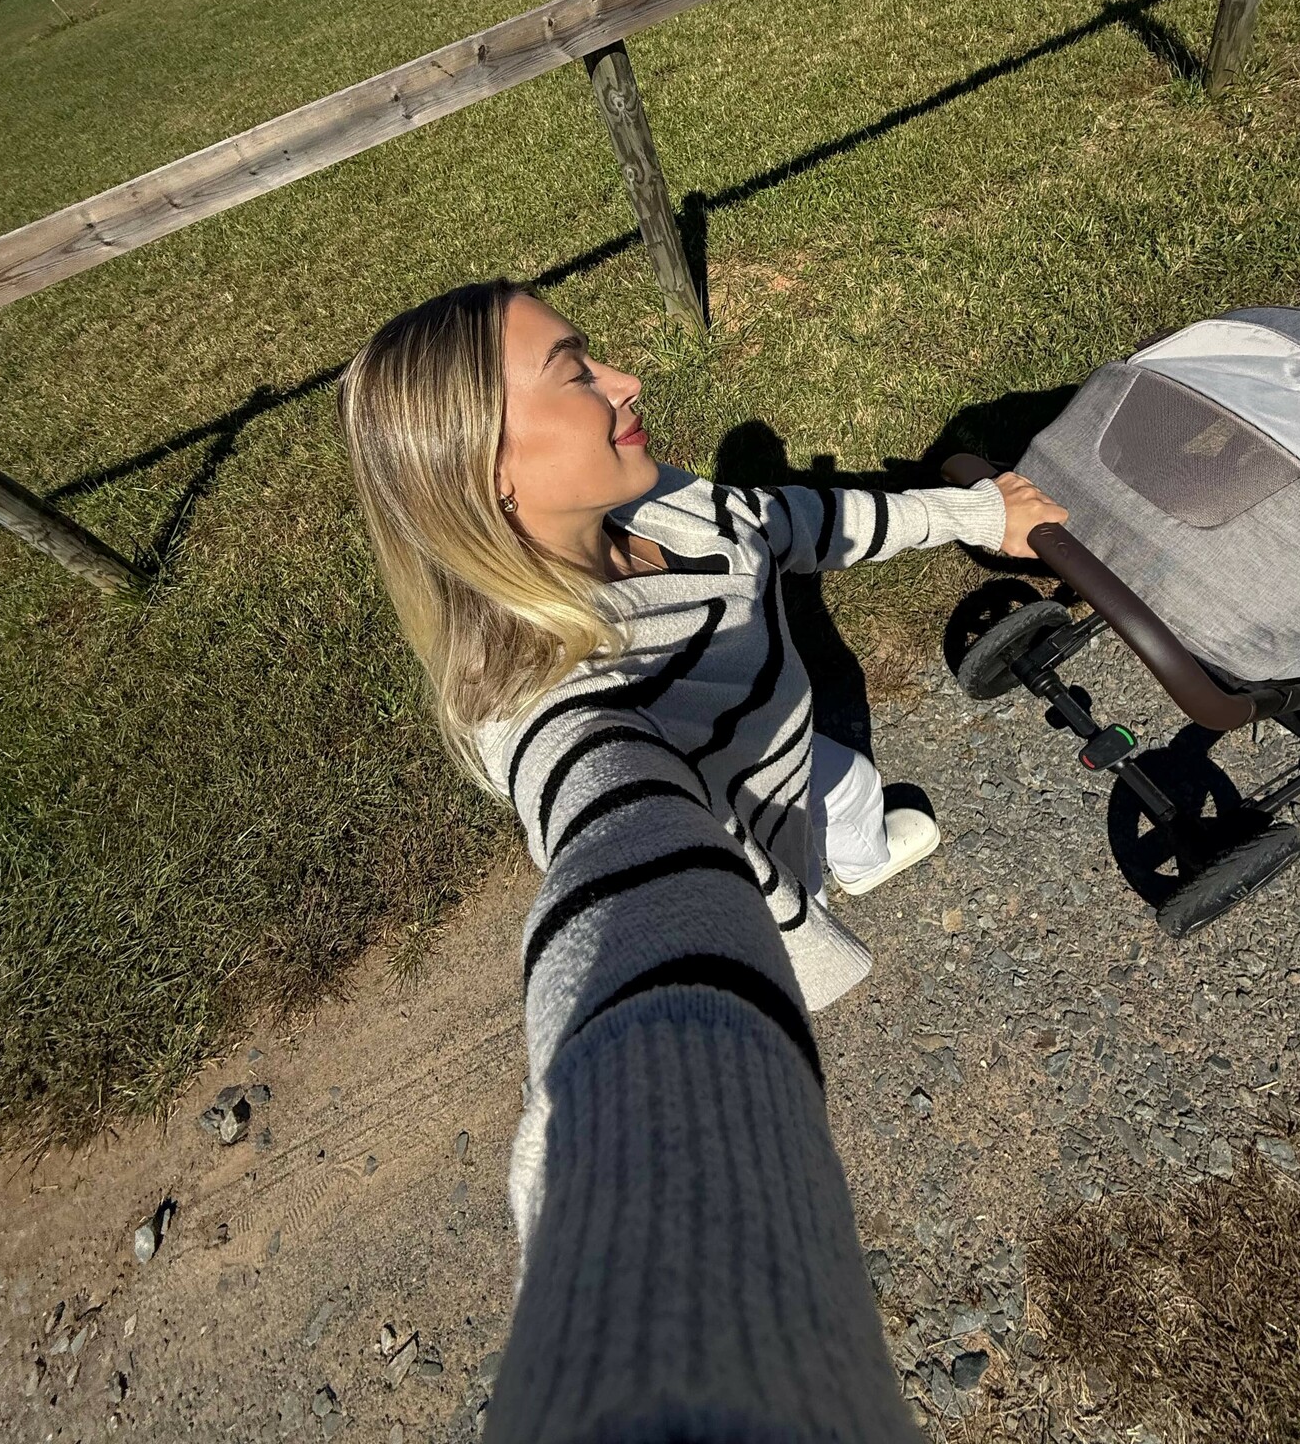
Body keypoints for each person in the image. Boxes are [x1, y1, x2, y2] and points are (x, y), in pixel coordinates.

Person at [338, 279, 1068, 1438]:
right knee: (818, 856)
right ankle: (828, 888)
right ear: (489, 472)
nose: (627, 381)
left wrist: (976, 516)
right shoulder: (538, 704)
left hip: (792, 761)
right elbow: (613, 850)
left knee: (846, 791)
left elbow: (793, 522)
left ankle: (852, 855)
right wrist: (642, 1123)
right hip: (745, 878)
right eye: (576, 374)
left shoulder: (667, 503)